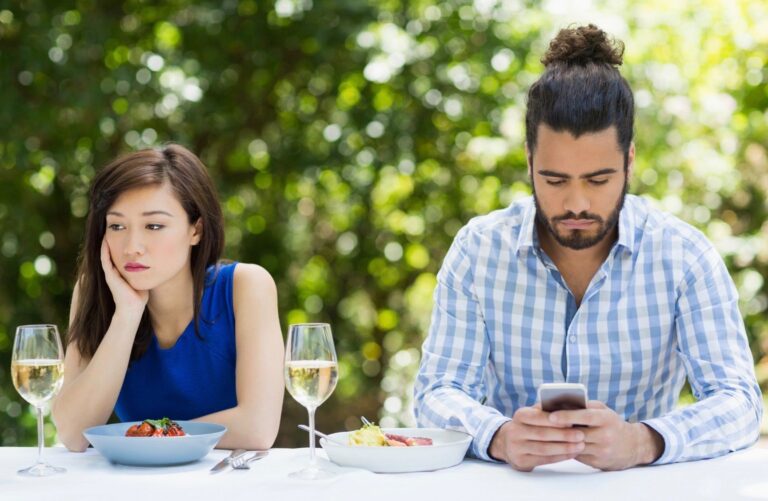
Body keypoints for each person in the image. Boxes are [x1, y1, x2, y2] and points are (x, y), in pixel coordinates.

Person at [413, 24, 762, 472]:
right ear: (529, 160)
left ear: (629, 161)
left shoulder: (684, 257)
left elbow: (740, 404)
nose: (576, 204)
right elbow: (436, 392)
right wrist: (498, 437)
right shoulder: (478, 251)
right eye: (554, 180)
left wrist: (643, 442)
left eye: (598, 180)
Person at [52, 144, 284, 451]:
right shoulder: (94, 292)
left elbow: (257, 428)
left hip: (229, 481)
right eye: (117, 226)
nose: (132, 246)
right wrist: (128, 314)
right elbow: (73, 433)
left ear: (196, 230)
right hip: (136, 485)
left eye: (154, 226)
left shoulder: (246, 286)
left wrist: (152, 437)